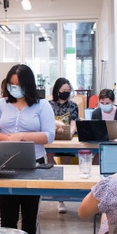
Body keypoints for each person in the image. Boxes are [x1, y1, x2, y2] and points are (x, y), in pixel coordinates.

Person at [0, 64, 55, 234]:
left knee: (29, 215)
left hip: (33, 164)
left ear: (28, 85)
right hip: (4, 164)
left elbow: (49, 136)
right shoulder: (0, 104)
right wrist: (9, 140)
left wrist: (23, 136)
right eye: (11, 84)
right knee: (7, 216)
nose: (14, 88)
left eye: (18, 84)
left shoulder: (42, 106)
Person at [48, 77, 79, 213]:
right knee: (50, 162)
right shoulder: (48, 105)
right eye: (63, 90)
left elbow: (74, 123)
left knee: (65, 166)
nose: (66, 92)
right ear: (57, 90)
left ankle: (61, 199)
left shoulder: (73, 106)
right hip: (51, 139)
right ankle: (56, 191)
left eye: (68, 90)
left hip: (67, 140)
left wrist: (69, 133)